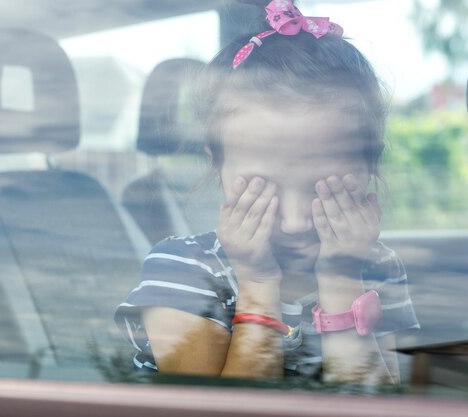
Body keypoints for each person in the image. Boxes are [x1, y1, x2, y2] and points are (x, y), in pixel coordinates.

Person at [115, 0, 419, 385]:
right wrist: (258, 286)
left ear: (371, 167)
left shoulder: (377, 269)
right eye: (264, 188)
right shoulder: (184, 270)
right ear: (218, 166)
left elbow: (373, 408)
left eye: (322, 190)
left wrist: (341, 281)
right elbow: (220, 411)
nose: (293, 222)